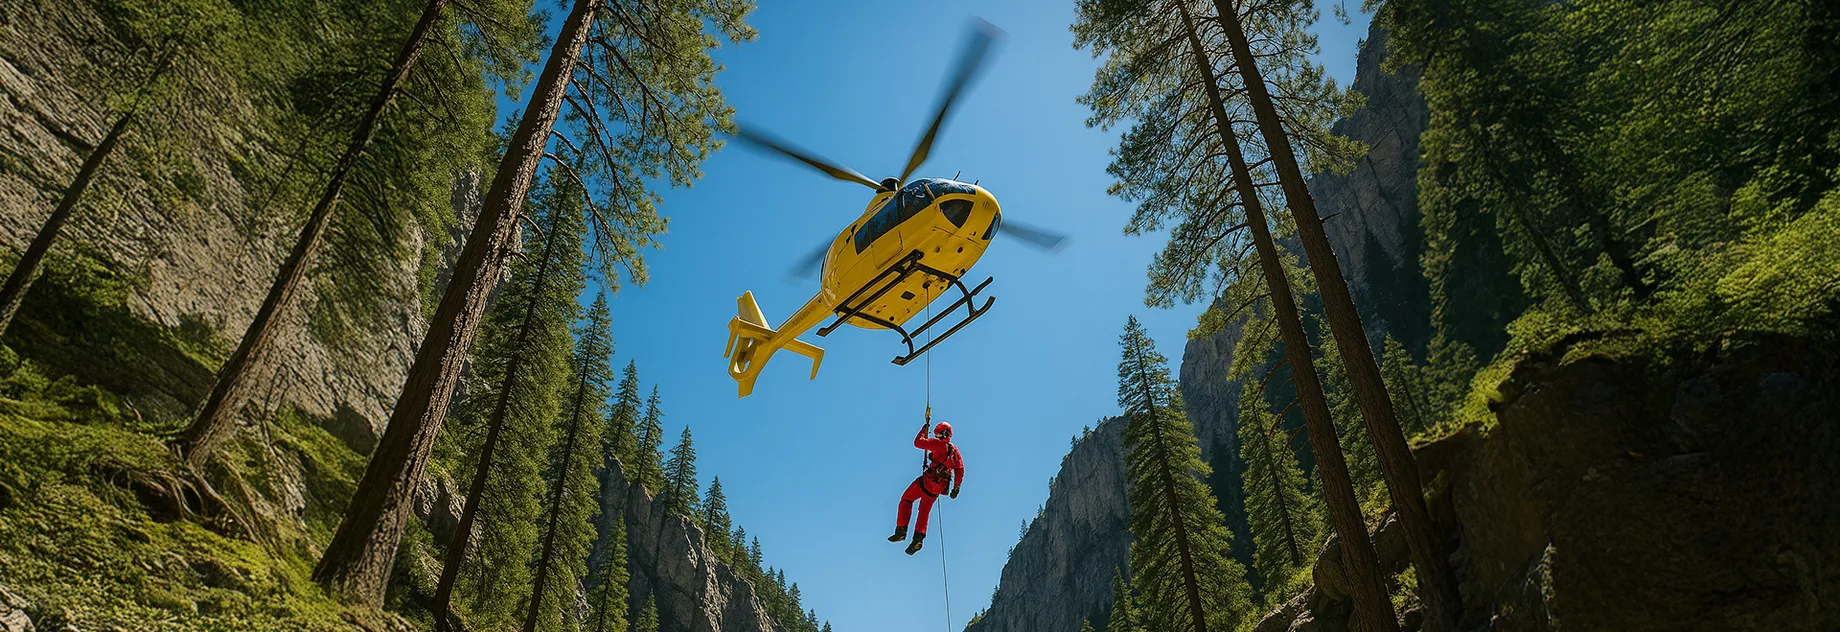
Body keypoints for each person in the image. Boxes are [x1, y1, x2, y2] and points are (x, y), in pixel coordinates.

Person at [889, 417, 963, 555]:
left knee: (906, 499)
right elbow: (960, 468)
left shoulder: (938, 444)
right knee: (924, 511)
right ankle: (918, 539)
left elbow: (918, 443)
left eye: (939, 434)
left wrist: (924, 429)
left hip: (928, 481)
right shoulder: (954, 450)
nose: (937, 437)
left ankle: (901, 530)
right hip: (939, 488)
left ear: (945, 434)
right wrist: (956, 487)